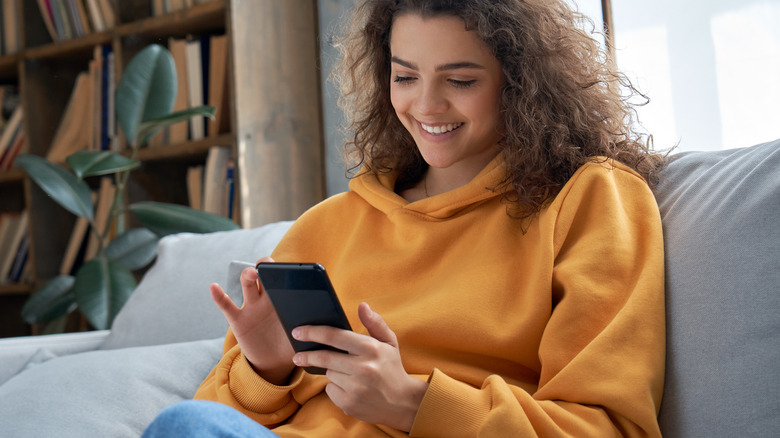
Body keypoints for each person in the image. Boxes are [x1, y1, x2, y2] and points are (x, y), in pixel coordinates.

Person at [143, 0, 666, 436]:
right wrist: (267, 369)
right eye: (405, 76)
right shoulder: (328, 225)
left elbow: (608, 427)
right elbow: (217, 417)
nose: (426, 105)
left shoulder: (591, 197)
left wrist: (414, 403)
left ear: (522, 82)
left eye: (460, 80)